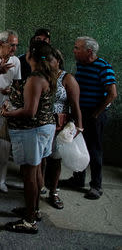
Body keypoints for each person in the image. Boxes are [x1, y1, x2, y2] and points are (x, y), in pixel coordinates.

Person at [2, 40, 56, 234]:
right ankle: (34, 209)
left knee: (30, 175)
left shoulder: (35, 78)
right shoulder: (46, 76)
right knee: (37, 171)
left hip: (32, 131)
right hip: (43, 128)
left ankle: (29, 220)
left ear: (30, 56)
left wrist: (8, 114)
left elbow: (29, 111)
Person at [60, 37, 117, 200]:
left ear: (89, 51)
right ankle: (78, 179)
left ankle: (96, 186)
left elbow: (112, 93)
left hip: (94, 114)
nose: (74, 50)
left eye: (77, 48)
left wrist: (97, 113)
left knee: (94, 149)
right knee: (79, 146)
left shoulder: (104, 67)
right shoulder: (81, 65)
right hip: (80, 112)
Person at [45, 48, 82, 209]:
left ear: (58, 61)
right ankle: (38, 187)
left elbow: (75, 105)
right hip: (41, 123)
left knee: (55, 159)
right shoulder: (41, 76)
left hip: (58, 124)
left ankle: (53, 192)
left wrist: (78, 126)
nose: (46, 64)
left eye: (50, 60)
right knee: (39, 160)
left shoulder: (67, 78)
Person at [0, 30, 21, 193]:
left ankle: (0, 179)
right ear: (1, 43)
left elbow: (17, 86)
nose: (14, 48)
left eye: (16, 45)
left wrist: (11, 92)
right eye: (11, 45)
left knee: (3, 148)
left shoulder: (16, 61)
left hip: (4, 111)